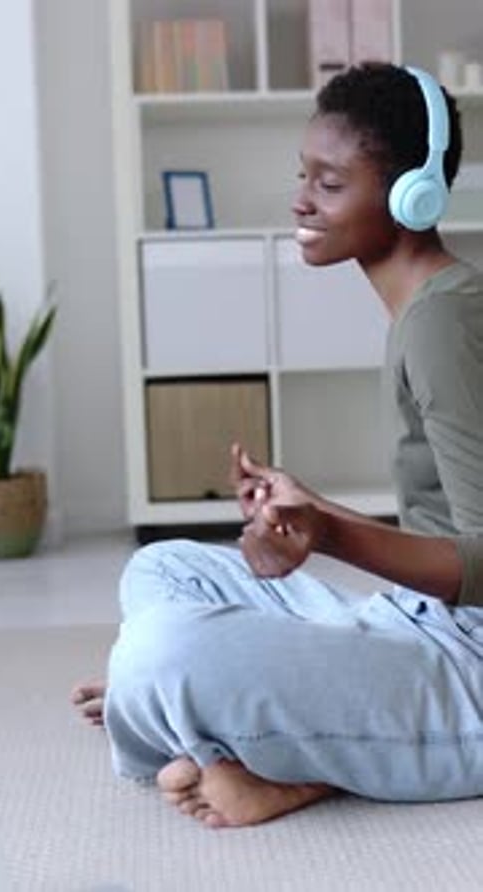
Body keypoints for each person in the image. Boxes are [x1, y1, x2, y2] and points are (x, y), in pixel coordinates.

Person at [72, 62, 483, 828]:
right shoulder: (430, 308)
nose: (301, 200)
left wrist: (327, 536)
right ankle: (239, 726)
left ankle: (264, 749)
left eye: (329, 183)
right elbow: (445, 528)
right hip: (415, 618)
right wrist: (308, 506)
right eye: (305, 175)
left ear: (410, 195)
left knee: (160, 653)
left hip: (470, 667)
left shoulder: (442, 324)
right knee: (162, 567)